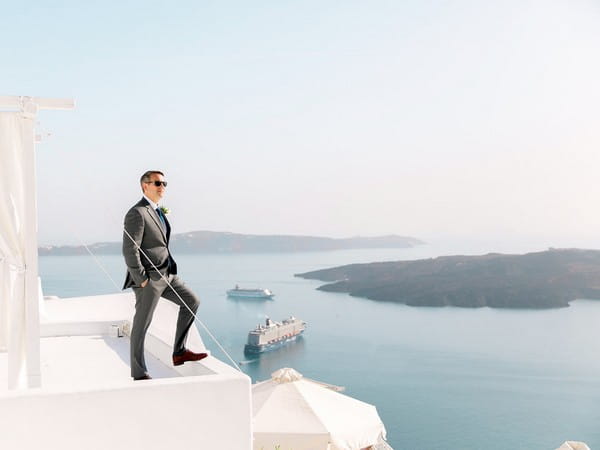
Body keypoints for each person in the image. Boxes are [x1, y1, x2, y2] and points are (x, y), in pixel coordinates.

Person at [122, 170, 207, 380]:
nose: (162, 187)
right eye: (158, 183)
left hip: (168, 274)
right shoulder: (137, 213)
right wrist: (141, 278)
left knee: (192, 301)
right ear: (145, 186)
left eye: (164, 183)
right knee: (142, 325)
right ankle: (139, 372)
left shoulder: (157, 211)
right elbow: (130, 249)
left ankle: (179, 352)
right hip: (149, 278)